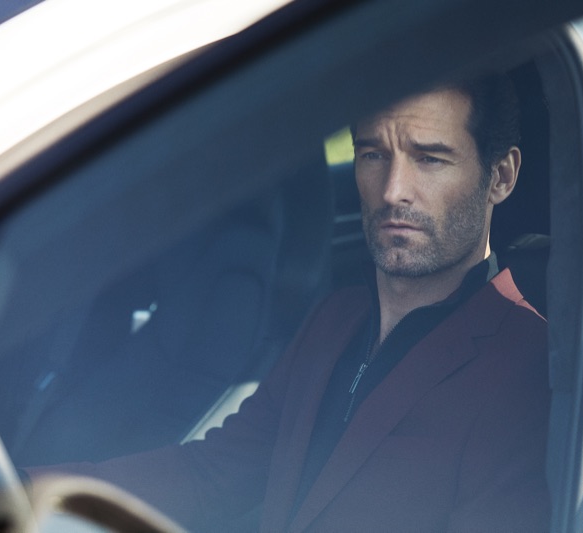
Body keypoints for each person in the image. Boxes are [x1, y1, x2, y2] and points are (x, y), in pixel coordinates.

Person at [28, 74, 551, 532]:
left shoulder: (524, 361)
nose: (394, 190)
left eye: (430, 159)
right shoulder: (334, 319)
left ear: (501, 177)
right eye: (373, 154)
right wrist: (29, 493)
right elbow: (215, 474)